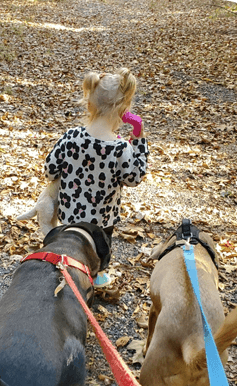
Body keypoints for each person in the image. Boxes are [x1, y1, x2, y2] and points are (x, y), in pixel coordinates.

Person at [44, 69, 149, 287]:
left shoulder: (70, 137)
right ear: (124, 111)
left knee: (71, 249)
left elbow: (50, 169)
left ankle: (71, 273)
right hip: (102, 223)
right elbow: (134, 177)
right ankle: (96, 278)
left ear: (89, 103)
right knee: (100, 255)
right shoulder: (121, 148)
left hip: (70, 216)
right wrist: (139, 141)